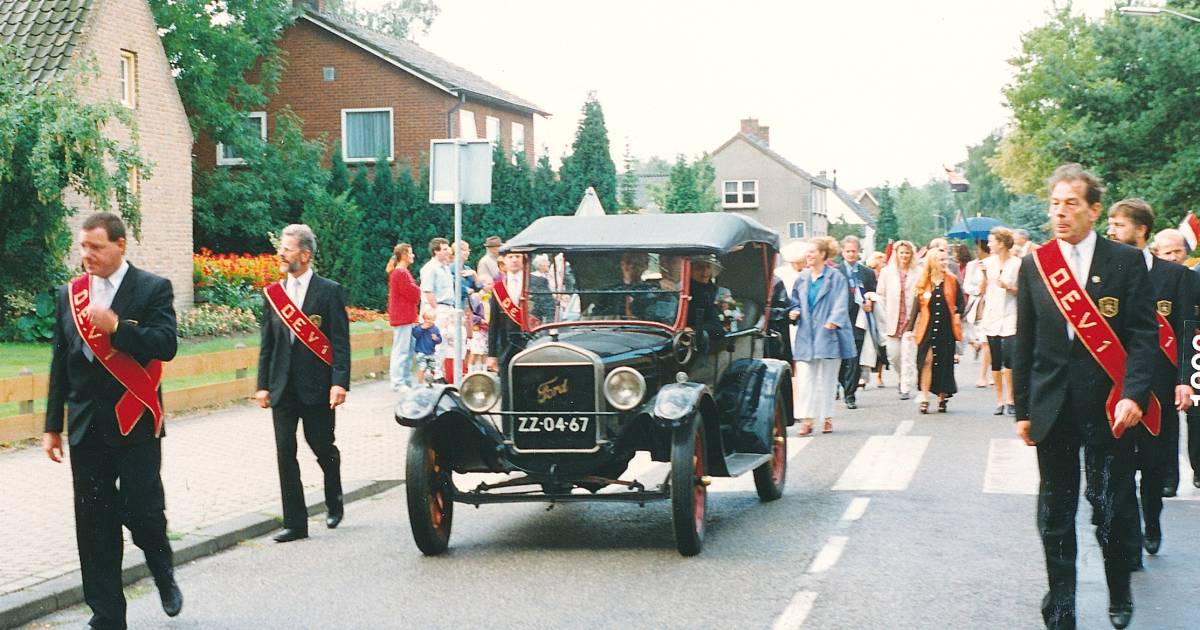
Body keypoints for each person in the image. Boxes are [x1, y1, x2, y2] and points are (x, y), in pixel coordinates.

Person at [1013, 164, 1157, 630]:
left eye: (1071, 203)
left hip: (1109, 406)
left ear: (1094, 210)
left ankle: (1119, 589)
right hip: (1052, 406)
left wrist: (1134, 394)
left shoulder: (1125, 261)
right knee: (1055, 513)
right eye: (1054, 203)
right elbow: (1025, 341)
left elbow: (1143, 335)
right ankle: (1061, 605)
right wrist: (1022, 409)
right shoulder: (1036, 264)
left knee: (1109, 507)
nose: (1060, 212)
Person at [43, 212, 183, 629]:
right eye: (83, 246)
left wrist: (118, 327)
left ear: (120, 245)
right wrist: (52, 426)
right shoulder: (70, 294)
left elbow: (166, 344)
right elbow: (60, 362)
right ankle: (106, 615)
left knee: (144, 514)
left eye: (96, 247)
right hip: (85, 426)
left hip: (134, 421)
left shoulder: (152, 288)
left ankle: (162, 571)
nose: (87, 255)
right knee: (94, 525)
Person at [1105, 198, 1193, 565]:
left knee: (1155, 465)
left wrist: (1186, 380)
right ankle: (1129, 535)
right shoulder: (1104, 272)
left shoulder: (1175, 276)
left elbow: (1188, 330)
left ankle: (1152, 520)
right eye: (1110, 223)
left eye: (1119, 224)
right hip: (1115, 384)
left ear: (1141, 230)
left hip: (1160, 386)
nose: (1111, 231)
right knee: (1119, 464)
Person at [256, 224, 351, 543]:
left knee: (321, 446)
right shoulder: (273, 294)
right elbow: (267, 343)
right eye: (281, 248)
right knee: (285, 452)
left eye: (287, 249)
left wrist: (339, 382)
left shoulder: (329, 291)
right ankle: (295, 523)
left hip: (318, 386)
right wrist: (262, 384)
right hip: (282, 386)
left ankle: (334, 498)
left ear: (305, 255)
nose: (281, 254)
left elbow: (340, 341)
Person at [788, 236, 856, 436]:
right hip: (806, 334)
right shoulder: (802, 277)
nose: (808, 255)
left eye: (812, 252)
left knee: (828, 379)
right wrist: (794, 311)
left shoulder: (836, 278)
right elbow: (794, 300)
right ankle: (806, 419)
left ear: (823, 254)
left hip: (828, 334)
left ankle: (827, 417)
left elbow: (842, 302)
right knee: (805, 379)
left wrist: (834, 320)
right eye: (807, 252)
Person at [910, 244, 963, 413]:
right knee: (926, 361)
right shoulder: (924, 282)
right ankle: (925, 396)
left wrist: (957, 315)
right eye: (941, 260)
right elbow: (916, 307)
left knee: (944, 362)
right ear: (932, 262)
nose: (944, 262)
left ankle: (942, 396)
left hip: (945, 329)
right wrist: (909, 329)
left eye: (945, 259)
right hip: (927, 327)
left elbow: (960, 303)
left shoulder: (952, 280)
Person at [980, 228, 1021, 415]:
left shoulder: (1017, 264)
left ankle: (1011, 398)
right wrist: (983, 275)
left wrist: (1009, 287)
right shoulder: (987, 263)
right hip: (992, 316)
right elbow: (981, 291)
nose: (988, 244)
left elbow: (1022, 291)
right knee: (995, 359)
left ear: (1002, 243)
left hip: (1011, 315)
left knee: (1009, 357)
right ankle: (999, 399)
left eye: (992, 241)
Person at [836, 235, 876, 409]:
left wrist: (870, 301)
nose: (851, 254)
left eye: (854, 251)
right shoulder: (835, 272)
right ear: (842, 252)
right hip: (840, 319)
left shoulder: (867, 273)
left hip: (858, 321)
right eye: (848, 251)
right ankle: (843, 382)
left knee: (854, 358)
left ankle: (850, 394)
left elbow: (874, 292)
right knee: (841, 359)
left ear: (859, 251)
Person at [877, 240, 919, 400]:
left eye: (907, 253)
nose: (904, 256)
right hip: (892, 320)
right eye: (902, 253)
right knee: (893, 355)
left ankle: (905, 386)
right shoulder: (887, 272)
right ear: (896, 254)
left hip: (911, 320)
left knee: (908, 354)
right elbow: (881, 294)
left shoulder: (918, 272)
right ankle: (901, 376)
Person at [420, 238, 458, 379]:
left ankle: (440, 372)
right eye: (445, 249)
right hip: (437, 306)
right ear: (436, 251)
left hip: (448, 306)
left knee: (446, 342)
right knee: (436, 342)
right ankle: (434, 374)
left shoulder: (446, 268)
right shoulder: (430, 268)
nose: (448, 251)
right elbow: (428, 291)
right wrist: (436, 310)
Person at [387, 243, 421, 392]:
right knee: (400, 351)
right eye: (410, 253)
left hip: (407, 316)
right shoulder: (400, 273)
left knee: (407, 351)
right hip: (402, 317)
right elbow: (412, 293)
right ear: (404, 255)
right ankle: (397, 382)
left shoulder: (403, 272)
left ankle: (405, 380)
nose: (413, 256)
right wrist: (418, 290)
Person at [488, 251, 527, 371]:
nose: (514, 260)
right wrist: (492, 354)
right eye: (510, 257)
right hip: (506, 348)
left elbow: (547, 313)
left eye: (518, 256)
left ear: (524, 259)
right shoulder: (498, 288)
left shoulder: (536, 282)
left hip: (532, 345)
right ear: (504, 260)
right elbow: (493, 323)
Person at [962, 239, 993, 388]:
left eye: (978, 248)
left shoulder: (995, 263)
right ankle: (989, 372)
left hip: (992, 304)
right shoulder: (972, 265)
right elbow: (966, 285)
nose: (976, 251)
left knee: (987, 340)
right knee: (984, 339)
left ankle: (984, 375)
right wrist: (977, 290)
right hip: (977, 305)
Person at [687, 255, 727, 351]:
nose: (705, 271)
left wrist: (693, 330)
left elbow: (717, 327)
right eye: (699, 268)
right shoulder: (683, 290)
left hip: (701, 341)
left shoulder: (713, 292)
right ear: (690, 271)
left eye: (708, 267)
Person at [412, 309, 443, 384]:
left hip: (431, 352)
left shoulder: (435, 329)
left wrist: (436, 339)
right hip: (421, 352)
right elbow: (415, 334)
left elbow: (440, 340)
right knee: (422, 368)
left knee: (432, 368)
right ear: (424, 319)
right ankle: (420, 383)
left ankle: (430, 383)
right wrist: (422, 328)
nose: (429, 321)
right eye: (427, 319)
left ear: (434, 319)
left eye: (431, 319)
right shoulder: (420, 327)